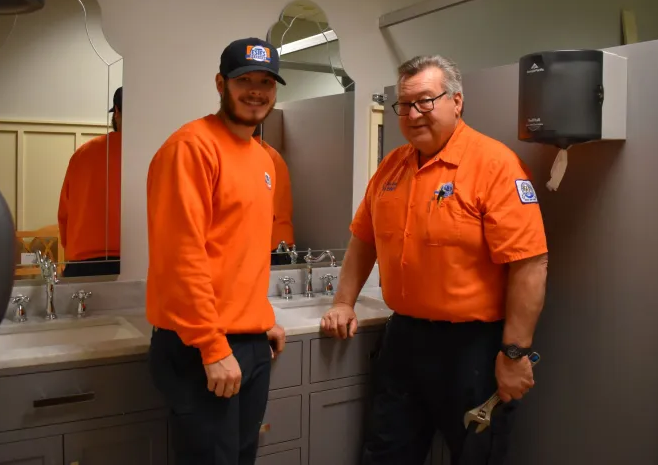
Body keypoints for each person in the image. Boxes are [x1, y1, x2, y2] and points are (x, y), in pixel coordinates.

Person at [321, 55, 548, 465]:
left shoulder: (494, 165)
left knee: (478, 455)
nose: (412, 114)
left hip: (473, 350)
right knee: (386, 452)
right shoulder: (391, 167)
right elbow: (362, 241)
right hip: (404, 341)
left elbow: (529, 264)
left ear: (456, 101)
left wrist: (514, 354)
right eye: (404, 105)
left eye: (426, 101)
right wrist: (342, 301)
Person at [146, 38, 288, 465]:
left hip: (247, 344)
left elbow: (239, 251)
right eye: (245, 80)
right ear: (220, 84)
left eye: (266, 81)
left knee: (241, 458)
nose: (256, 91)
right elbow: (181, 256)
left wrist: (258, 320)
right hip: (200, 348)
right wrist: (212, 346)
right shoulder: (191, 148)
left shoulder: (263, 160)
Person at [57, 87, 122, 277]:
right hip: (136, 260)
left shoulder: (83, 154)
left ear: (116, 111)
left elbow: (64, 214)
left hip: (82, 260)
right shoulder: (151, 154)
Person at [252, 125, 295, 265]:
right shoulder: (270, 154)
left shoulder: (259, 156)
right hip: (277, 244)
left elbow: (262, 209)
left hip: (271, 247)